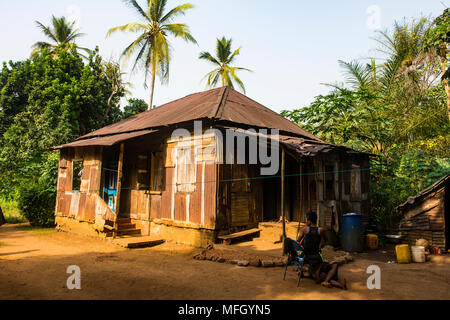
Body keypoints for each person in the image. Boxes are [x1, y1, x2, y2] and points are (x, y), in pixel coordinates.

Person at [297, 210, 347, 290]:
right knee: (334, 265)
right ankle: (328, 281)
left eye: (307, 219)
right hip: (317, 258)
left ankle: (329, 281)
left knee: (323, 274)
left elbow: (298, 241)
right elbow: (326, 241)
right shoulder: (321, 230)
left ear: (309, 220)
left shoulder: (304, 230)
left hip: (306, 257)